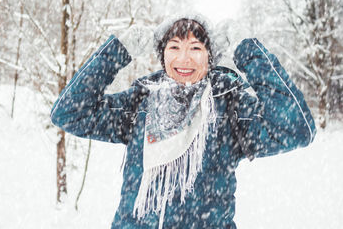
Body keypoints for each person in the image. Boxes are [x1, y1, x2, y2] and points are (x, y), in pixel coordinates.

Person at [50, 14, 316, 229]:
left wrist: (248, 50)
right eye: (174, 47)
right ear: (163, 54)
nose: (184, 58)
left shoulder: (229, 106)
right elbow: (70, 113)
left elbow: (296, 127)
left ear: (210, 57)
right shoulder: (139, 103)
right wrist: (116, 52)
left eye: (196, 48)